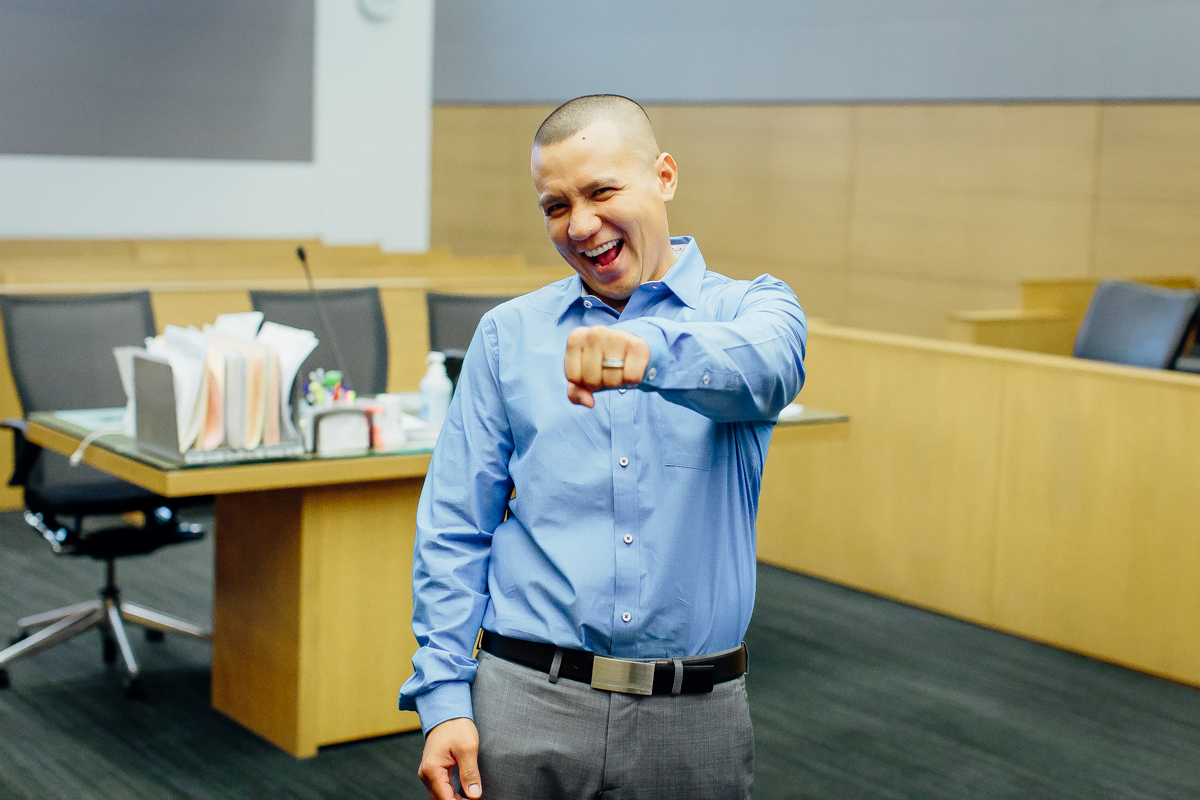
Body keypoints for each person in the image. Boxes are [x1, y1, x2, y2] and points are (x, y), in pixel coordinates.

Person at [400, 94, 807, 800]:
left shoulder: (751, 310)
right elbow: (455, 527)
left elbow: (768, 369)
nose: (580, 225)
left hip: (693, 717)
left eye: (602, 191)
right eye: (555, 206)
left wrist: (642, 351)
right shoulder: (508, 335)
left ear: (665, 177)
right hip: (525, 701)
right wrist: (443, 698)